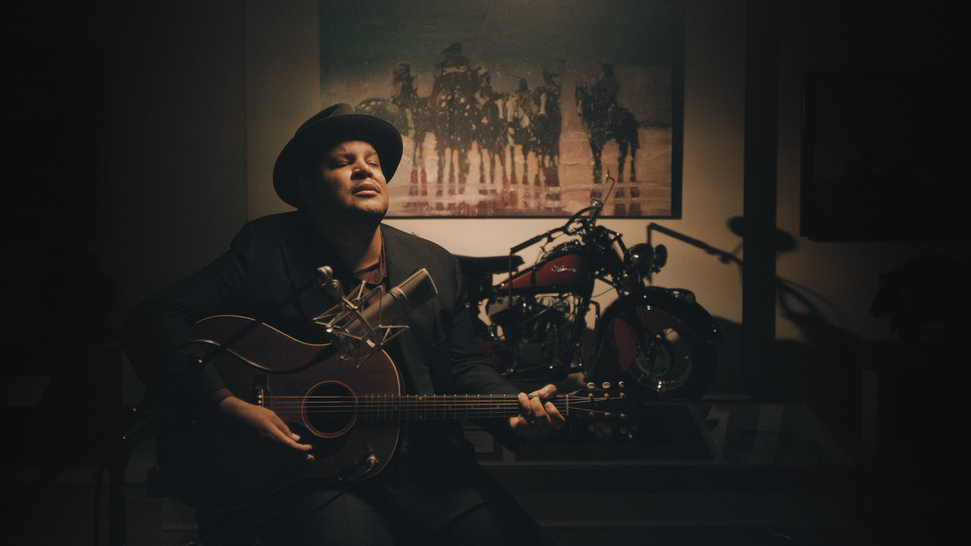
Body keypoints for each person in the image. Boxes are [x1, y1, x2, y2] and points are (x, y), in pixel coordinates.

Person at [120, 103, 565, 546]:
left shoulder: (434, 263)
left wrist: (512, 412)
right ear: (307, 188)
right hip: (318, 476)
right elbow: (153, 318)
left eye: (373, 162)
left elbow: (465, 364)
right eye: (342, 162)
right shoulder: (265, 248)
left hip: (428, 473)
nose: (364, 170)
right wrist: (225, 405)